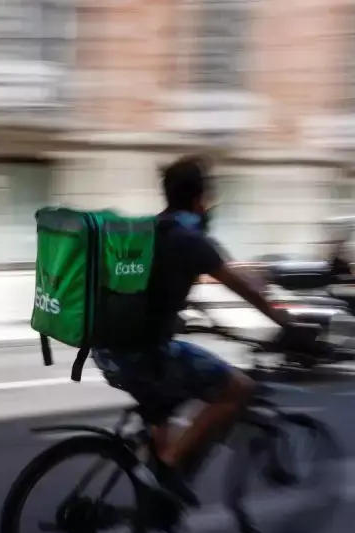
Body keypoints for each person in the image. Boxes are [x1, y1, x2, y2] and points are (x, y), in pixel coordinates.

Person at [91, 155, 298, 510]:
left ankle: (155, 494)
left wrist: (189, 316)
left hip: (107, 349)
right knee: (237, 388)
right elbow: (246, 289)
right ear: (200, 198)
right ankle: (168, 468)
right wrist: (290, 326)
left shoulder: (149, 231)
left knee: (165, 398)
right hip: (144, 355)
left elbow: (151, 291)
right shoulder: (190, 240)